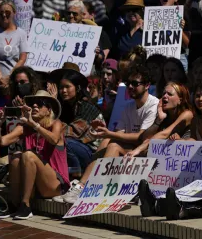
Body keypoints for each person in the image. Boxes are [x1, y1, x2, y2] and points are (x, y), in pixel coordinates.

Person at [55, 65, 158, 204]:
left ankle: (94, 188)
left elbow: (141, 137)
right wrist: (105, 134)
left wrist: (109, 133)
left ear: (147, 85)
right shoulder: (128, 106)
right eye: (128, 84)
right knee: (106, 141)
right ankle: (81, 186)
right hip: (131, 149)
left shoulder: (153, 105)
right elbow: (120, 132)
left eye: (135, 83)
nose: (131, 87)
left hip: (147, 151)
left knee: (113, 145)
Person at [0, 91, 68, 220]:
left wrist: (34, 124)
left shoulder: (57, 124)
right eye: (32, 104)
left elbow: (54, 139)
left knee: (28, 155)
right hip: (37, 184)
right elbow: (2, 142)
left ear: (49, 110)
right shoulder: (25, 127)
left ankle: (25, 205)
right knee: (16, 156)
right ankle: (14, 203)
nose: (34, 106)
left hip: (55, 185)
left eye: (39, 104)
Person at [48, 63, 102, 180]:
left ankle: (76, 175)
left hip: (91, 154)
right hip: (75, 149)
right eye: (61, 87)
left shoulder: (86, 107)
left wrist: (52, 113)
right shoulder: (64, 106)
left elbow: (71, 133)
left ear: (77, 88)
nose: (63, 91)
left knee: (63, 140)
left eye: (67, 87)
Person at [126, 82, 194, 156]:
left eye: (170, 94)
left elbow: (164, 134)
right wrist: (159, 120)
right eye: (164, 93)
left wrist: (138, 150)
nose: (165, 96)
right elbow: (145, 138)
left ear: (180, 100)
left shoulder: (187, 114)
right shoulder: (163, 115)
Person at [0, 0, 29, 89]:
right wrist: (1, 79)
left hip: (14, 82)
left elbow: (22, 59)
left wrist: (9, 78)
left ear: (14, 13)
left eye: (7, 12)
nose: (4, 15)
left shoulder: (21, 33)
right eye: (1, 13)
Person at [158, 0, 191, 71]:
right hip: (159, 59)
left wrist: (180, 29)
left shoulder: (182, 15)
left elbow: (188, 43)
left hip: (179, 58)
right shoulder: (152, 14)